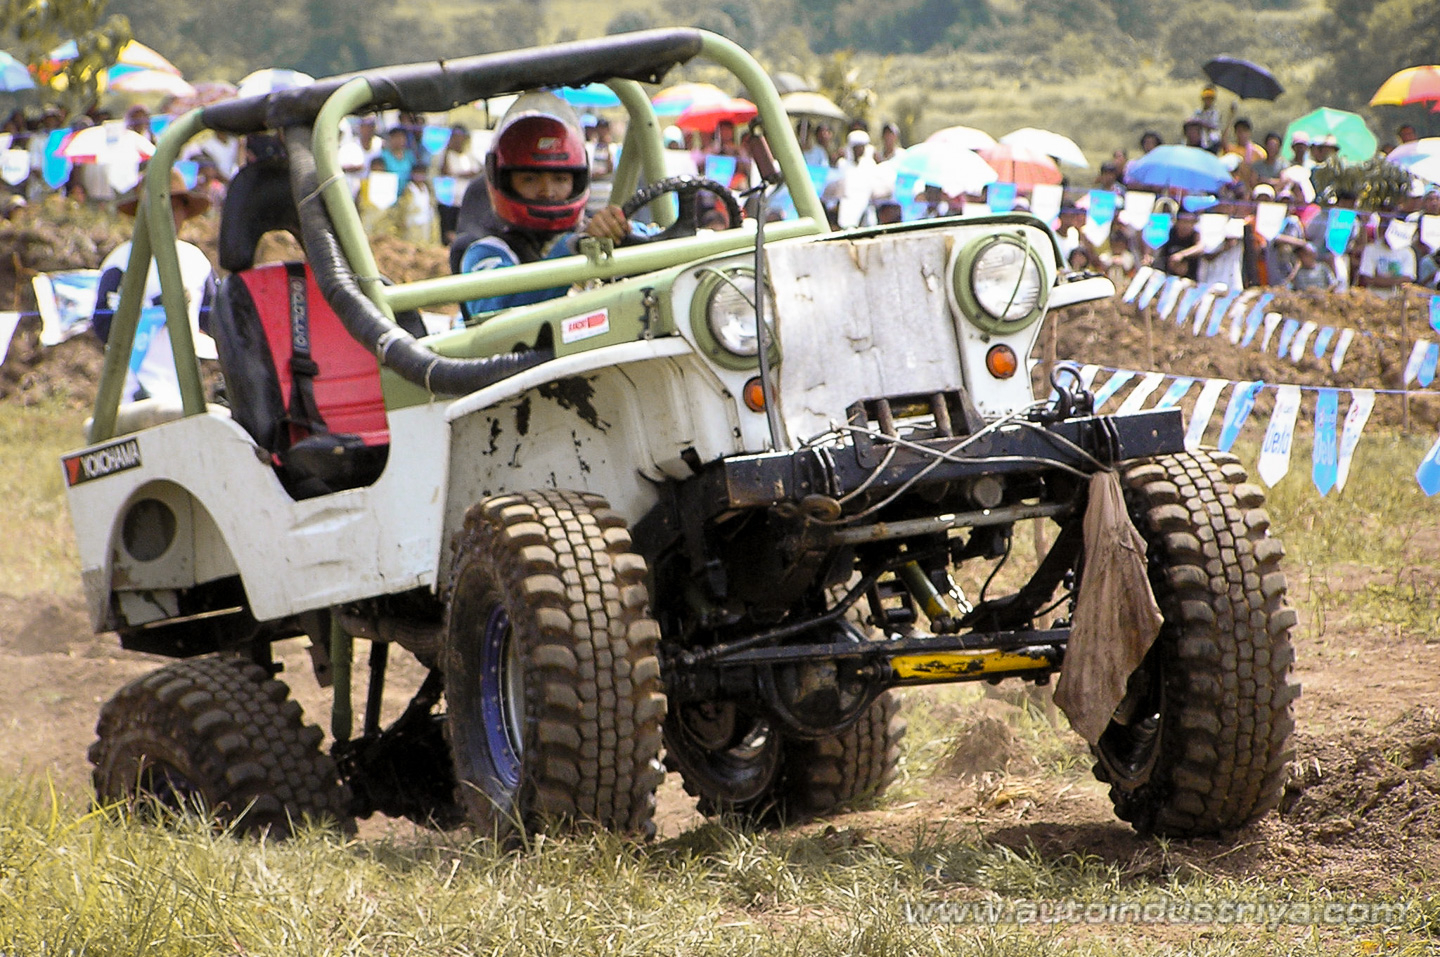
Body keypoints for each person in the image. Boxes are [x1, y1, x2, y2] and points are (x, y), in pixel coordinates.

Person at [456, 95, 650, 318]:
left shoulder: (593, 231)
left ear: (577, 181)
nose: (547, 192)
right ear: (505, 182)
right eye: (530, 179)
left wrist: (624, 233)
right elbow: (496, 309)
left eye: (560, 179)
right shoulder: (486, 252)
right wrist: (573, 251)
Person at [90, 167, 218, 405]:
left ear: (184, 212)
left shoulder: (196, 261)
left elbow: (213, 320)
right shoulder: (121, 262)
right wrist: (151, 312)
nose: (167, 215)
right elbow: (103, 325)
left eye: (174, 207)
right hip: (130, 391)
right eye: (159, 206)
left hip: (183, 391)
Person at [434, 126, 480, 244]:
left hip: (464, 200)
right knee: (448, 230)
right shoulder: (445, 155)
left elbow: (477, 171)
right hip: (448, 200)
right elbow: (445, 171)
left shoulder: (468, 156)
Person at [1356, 213, 1417, 299]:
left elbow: (1407, 279)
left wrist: (1378, 279)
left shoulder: (1408, 252)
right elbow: (1367, 278)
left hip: (1397, 299)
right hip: (1373, 298)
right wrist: (1396, 280)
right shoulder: (1371, 249)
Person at [1190, 86, 1223, 151]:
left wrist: (1202, 124)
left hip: (1213, 141)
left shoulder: (1215, 113)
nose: (1208, 101)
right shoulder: (1198, 112)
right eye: (1207, 98)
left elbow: (1215, 126)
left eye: (1210, 99)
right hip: (1200, 142)